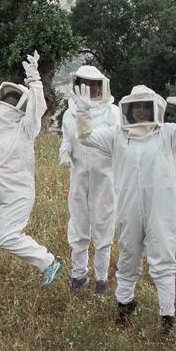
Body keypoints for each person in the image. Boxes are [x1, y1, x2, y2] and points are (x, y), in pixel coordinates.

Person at [75, 79, 176, 334]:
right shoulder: (117, 135)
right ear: (129, 110)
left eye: (146, 107)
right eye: (137, 107)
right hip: (128, 206)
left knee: (163, 258)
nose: (142, 112)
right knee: (128, 255)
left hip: (162, 207)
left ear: (154, 107)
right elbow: (87, 137)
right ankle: (125, 306)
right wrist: (82, 112)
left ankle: (167, 316)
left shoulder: (167, 133)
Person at [0, 48, 64, 286]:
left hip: (17, 194)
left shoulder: (25, 128)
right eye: (7, 96)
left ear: (21, 105)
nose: (9, 101)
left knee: (8, 237)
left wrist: (34, 80)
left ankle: (48, 262)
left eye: (14, 98)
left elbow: (37, 109)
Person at [59, 65, 120, 296]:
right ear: (77, 85)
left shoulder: (112, 113)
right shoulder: (69, 113)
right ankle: (78, 276)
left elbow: (119, 143)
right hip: (79, 176)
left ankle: (101, 281)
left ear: (101, 85)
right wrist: (64, 152)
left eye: (93, 83)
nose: (89, 87)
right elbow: (67, 138)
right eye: (84, 83)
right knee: (78, 224)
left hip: (105, 178)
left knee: (104, 226)